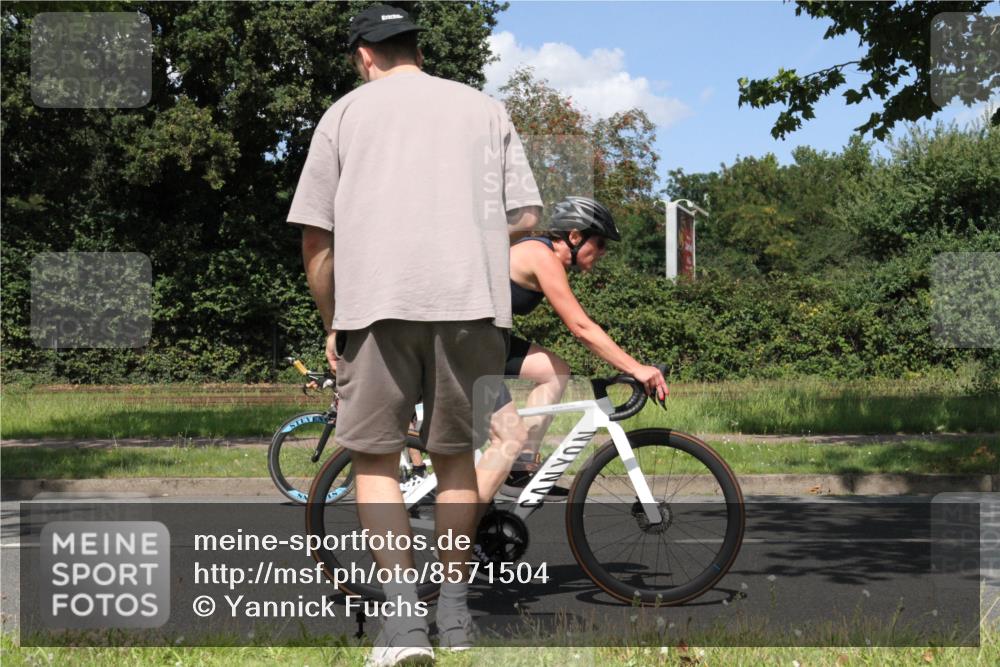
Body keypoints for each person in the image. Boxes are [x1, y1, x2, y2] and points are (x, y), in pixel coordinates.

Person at [286, 6, 539, 665]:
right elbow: (527, 214)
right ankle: (454, 616)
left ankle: (403, 627)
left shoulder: (344, 115)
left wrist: (332, 319)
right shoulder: (485, 109)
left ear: (364, 56)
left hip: (377, 305)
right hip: (474, 307)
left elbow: (316, 237)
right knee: (456, 454)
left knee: (374, 459)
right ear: (413, 48)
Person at [474, 196, 669, 503]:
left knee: (555, 371)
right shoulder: (541, 256)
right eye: (600, 243)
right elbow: (581, 328)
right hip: (468, 344)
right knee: (508, 438)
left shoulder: (541, 253)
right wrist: (635, 367)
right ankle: (463, 534)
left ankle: (520, 471)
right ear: (575, 236)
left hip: (490, 340)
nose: (603, 252)